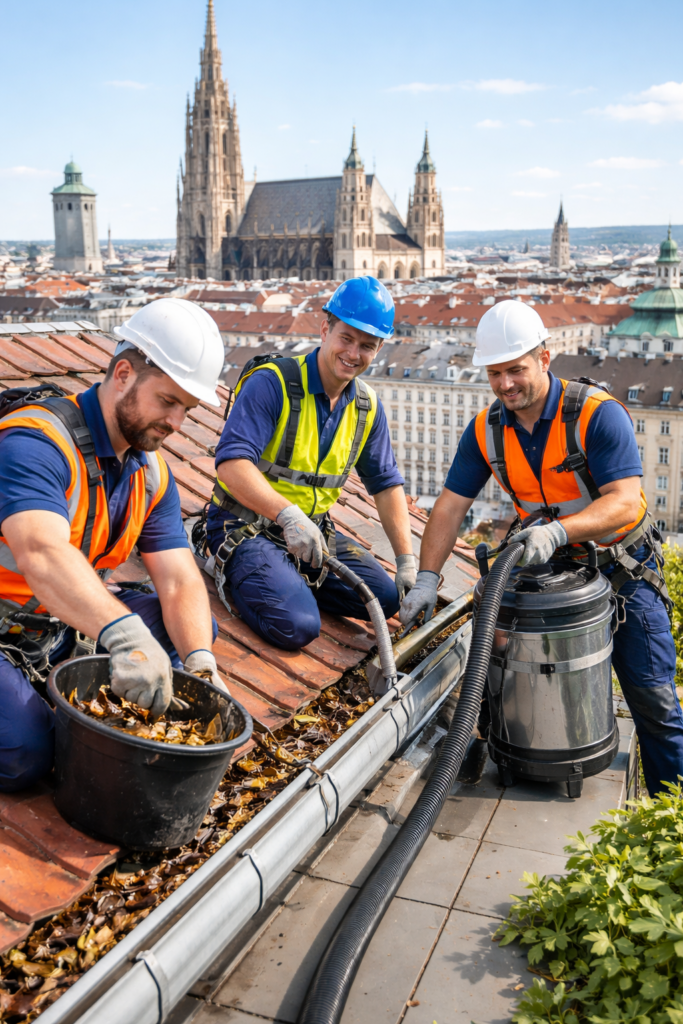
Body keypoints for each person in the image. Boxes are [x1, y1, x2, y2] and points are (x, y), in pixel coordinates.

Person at [400, 298, 683, 797]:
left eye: (516, 369)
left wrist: (559, 529)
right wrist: (427, 577)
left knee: (654, 704)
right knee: (515, 678)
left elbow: (625, 503)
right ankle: (506, 757)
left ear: (545, 359)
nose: (506, 384)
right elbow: (448, 509)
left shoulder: (597, 415)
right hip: (554, 575)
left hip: (623, 571)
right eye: (495, 373)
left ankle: (670, 817)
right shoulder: (488, 431)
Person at [0, 298, 226, 792]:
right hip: (6, 629)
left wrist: (201, 663)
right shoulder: (36, 442)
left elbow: (179, 577)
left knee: (192, 630)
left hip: (59, 627)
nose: (176, 423)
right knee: (25, 756)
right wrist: (123, 636)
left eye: (187, 409)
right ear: (123, 373)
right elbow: (41, 553)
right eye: (167, 401)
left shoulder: (150, 471)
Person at [206, 276, 417, 650]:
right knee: (297, 627)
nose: (353, 354)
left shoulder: (366, 407)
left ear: (380, 348)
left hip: (313, 533)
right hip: (247, 523)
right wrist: (287, 516)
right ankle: (251, 576)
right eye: (346, 338)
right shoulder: (273, 383)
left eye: (367, 346)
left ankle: (285, 582)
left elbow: (385, 484)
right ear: (325, 328)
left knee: (386, 599)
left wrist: (407, 562)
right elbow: (232, 464)